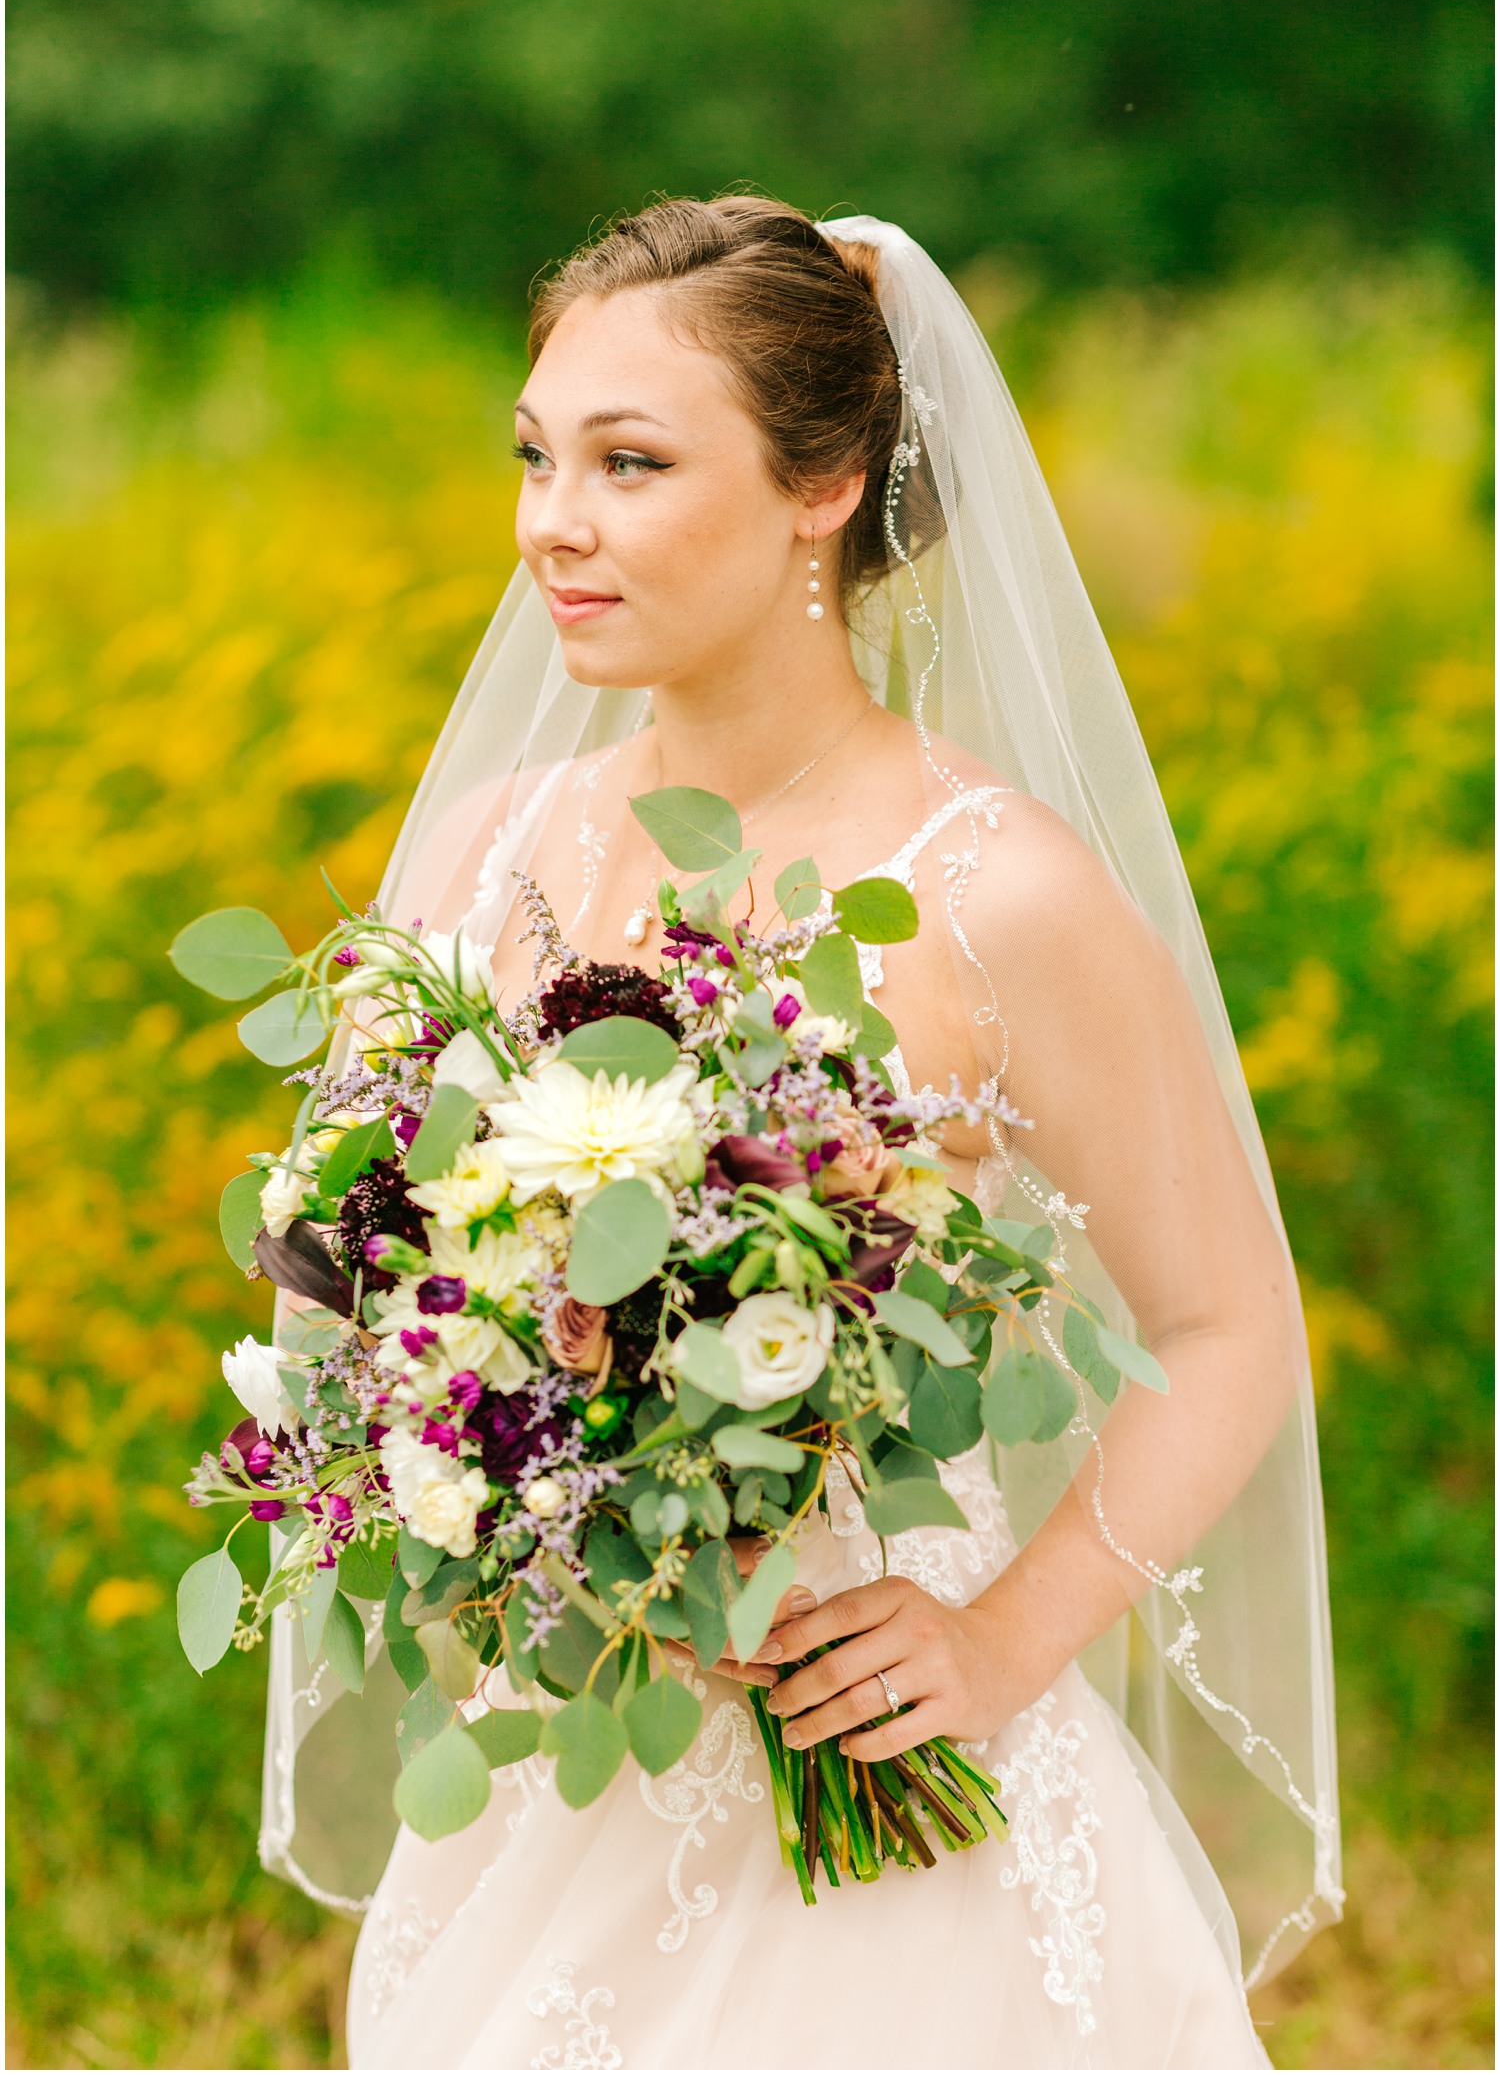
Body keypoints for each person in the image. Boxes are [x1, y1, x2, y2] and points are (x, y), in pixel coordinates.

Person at [262, 197, 1341, 2069]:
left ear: (823, 484)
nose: (551, 524)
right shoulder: (488, 847)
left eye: (630, 462)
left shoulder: (996, 893)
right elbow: (383, 1284)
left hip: (889, 1776)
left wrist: (1002, 1639)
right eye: (536, 455)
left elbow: (1233, 1326)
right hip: (574, 1759)